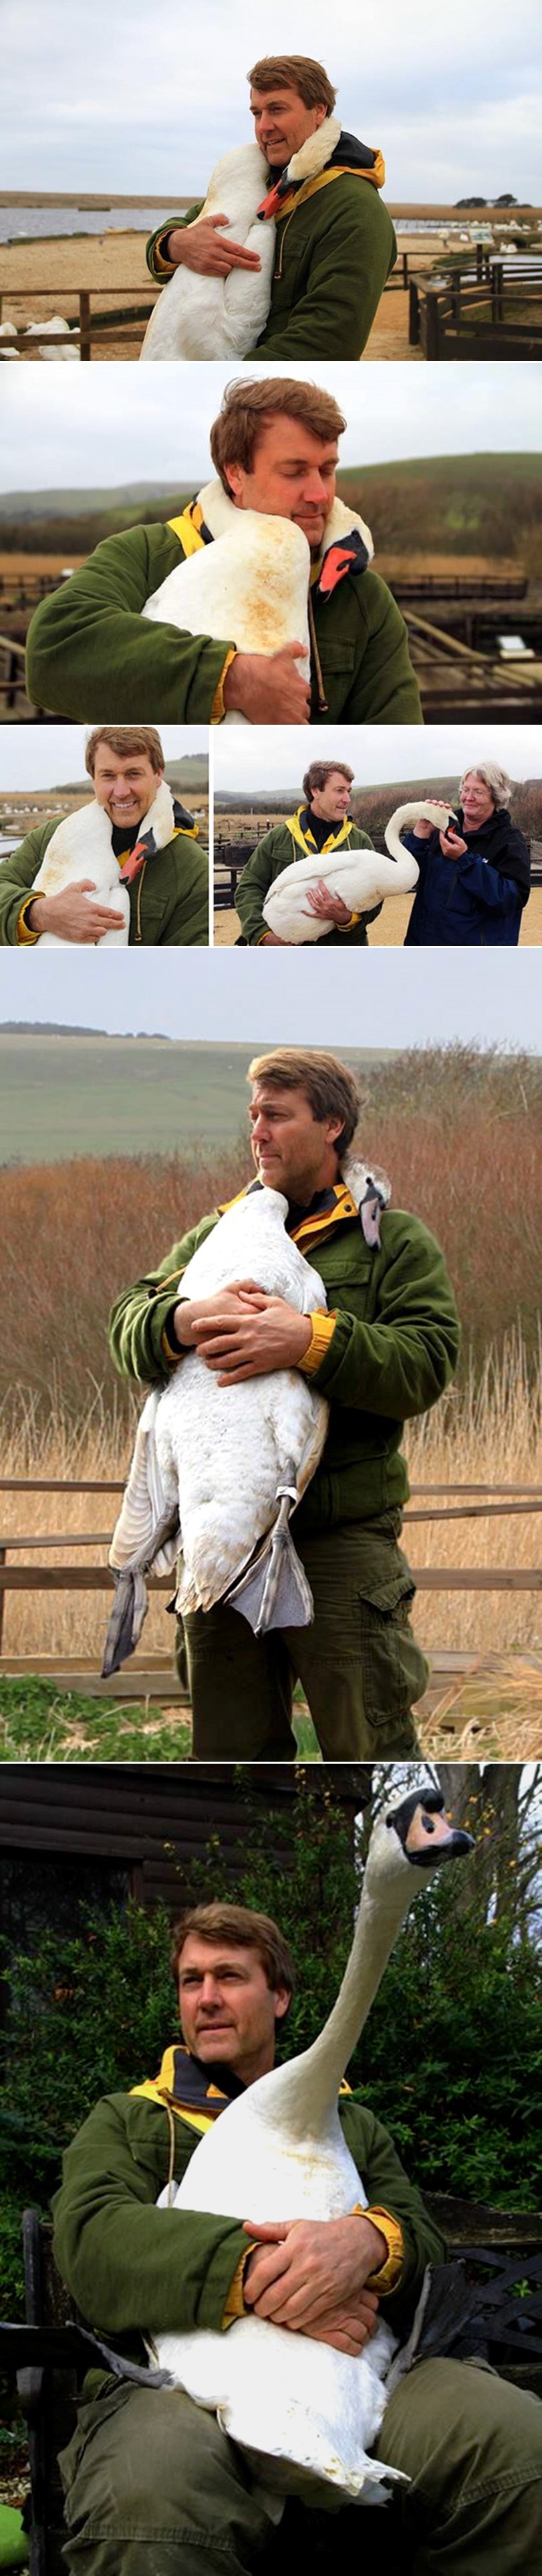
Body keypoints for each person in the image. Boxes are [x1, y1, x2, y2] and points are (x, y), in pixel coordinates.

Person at [51, 1897, 542, 2576]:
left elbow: (421, 2239)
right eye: (191, 1980)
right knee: (148, 2496)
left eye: (229, 1976)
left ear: (279, 1996)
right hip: (174, 2392)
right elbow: (92, 2238)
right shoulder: (129, 2121)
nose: (206, 1998)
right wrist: (260, 2272)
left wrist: (371, 2244)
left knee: (516, 2448)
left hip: (367, 2377)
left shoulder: (352, 2125)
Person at [108, 1047, 460, 1761]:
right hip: (217, 1539)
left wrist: (308, 1340)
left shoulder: (392, 1241)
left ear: (331, 1125)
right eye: (252, 1116)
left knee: (369, 1754)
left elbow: (424, 1364)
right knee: (230, 1764)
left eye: (276, 1115)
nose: (257, 1133)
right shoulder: (217, 1236)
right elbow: (126, 1321)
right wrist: (181, 1320)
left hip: (337, 1544)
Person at [25, 380, 423, 729]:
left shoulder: (361, 595)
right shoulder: (150, 554)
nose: (319, 494)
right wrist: (231, 679)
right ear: (235, 475)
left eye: (327, 470)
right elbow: (53, 650)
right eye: (293, 472)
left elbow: (394, 731)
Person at [146, 54, 396, 361]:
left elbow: (328, 341)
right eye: (257, 113)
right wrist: (175, 244)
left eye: (277, 109)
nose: (263, 127)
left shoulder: (355, 209)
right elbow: (181, 226)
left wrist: (223, 378)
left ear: (319, 111)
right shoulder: (262, 179)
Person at [0, 727, 209, 946]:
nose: (121, 791)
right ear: (94, 779)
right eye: (108, 775)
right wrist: (39, 914)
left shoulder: (191, 868)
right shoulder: (52, 836)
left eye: (133, 774)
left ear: (158, 775)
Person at [236, 759, 382, 946]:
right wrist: (263, 935)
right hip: (286, 955)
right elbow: (249, 887)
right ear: (315, 791)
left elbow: (376, 899)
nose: (347, 799)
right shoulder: (279, 837)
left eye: (348, 791)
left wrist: (346, 917)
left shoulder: (360, 842)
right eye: (339, 791)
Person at [401, 763, 531, 947]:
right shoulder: (443, 827)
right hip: (424, 944)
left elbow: (511, 899)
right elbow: (407, 877)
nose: (469, 798)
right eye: (466, 790)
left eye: (478, 792)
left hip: (473, 956)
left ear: (496, 797)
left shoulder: (509, 841)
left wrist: (465, 860)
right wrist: (420, 835)